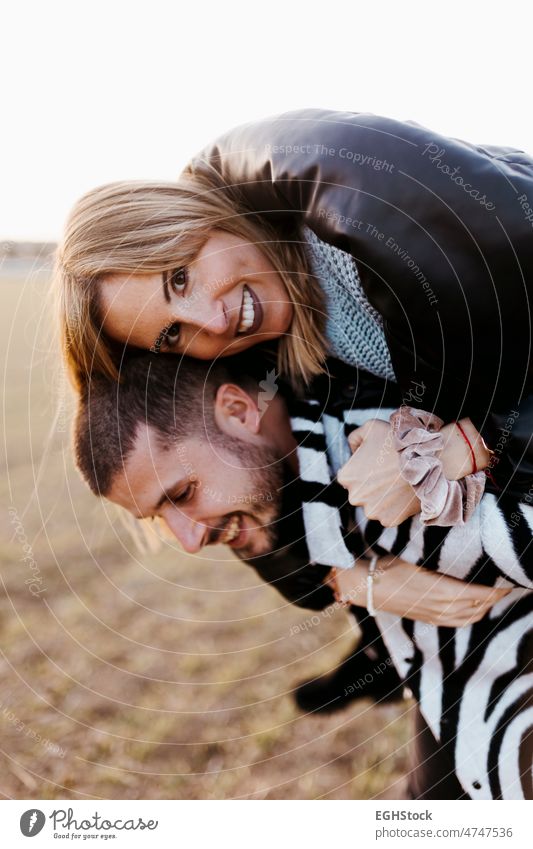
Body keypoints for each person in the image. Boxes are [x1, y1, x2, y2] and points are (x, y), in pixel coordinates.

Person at [72, 351, 533, 799]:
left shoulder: (381, 446)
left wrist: (462, 450)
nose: (188, 541)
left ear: (237, 410)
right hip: (445, 678)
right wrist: (355, 580)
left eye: (182, 493)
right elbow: (290, 570)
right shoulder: (255, 464)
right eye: (158, 517)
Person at [55, 108, 533, 509]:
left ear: (191, 216)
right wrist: (352, 581)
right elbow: (237, 477)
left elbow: (474, 247)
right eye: (172, 335)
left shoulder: (329, 225)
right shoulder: (280, 362)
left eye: (180, 276)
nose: (213, 321)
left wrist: (449, 450)